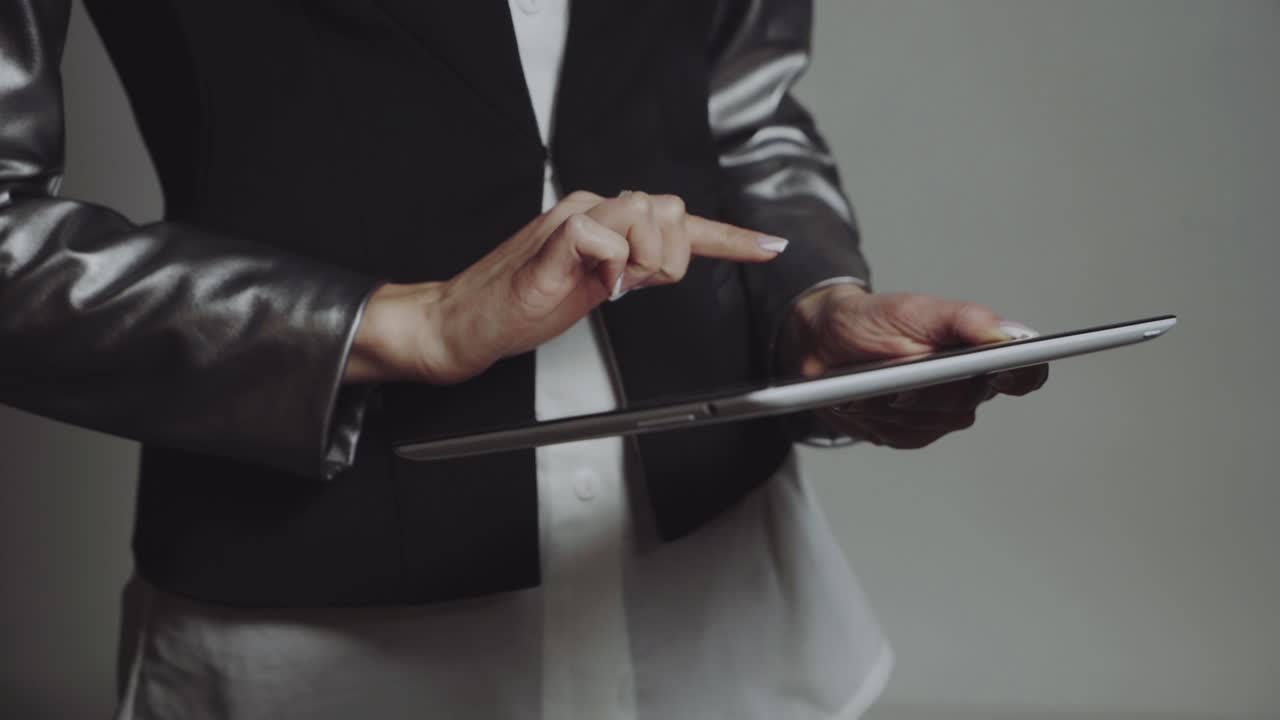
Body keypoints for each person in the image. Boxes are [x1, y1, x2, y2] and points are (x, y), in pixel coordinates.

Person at [0, 0, 1046, 718]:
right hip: (318, 635)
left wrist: (813, 306)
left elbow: (740, 108)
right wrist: (400, 323)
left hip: (732, 604)